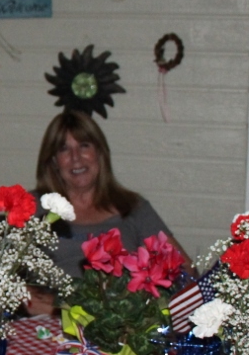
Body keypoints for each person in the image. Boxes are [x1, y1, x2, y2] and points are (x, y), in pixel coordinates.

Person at [33, 110, 188, 279]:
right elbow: (12, 276)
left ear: (100, 153)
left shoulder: (133, 208)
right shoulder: (32, 208)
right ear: (54, 161)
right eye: (64, 149)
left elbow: (185, 269)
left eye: (84, 146)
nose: (75, 157)